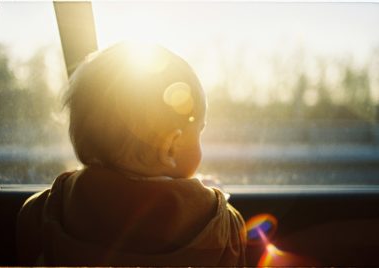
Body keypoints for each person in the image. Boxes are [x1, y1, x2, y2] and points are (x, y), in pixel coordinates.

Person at [16, 42, 247, 266]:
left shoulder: (47, 209)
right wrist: (202, 197)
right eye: (199, 131)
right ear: (171, 147)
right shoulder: (220, 224)